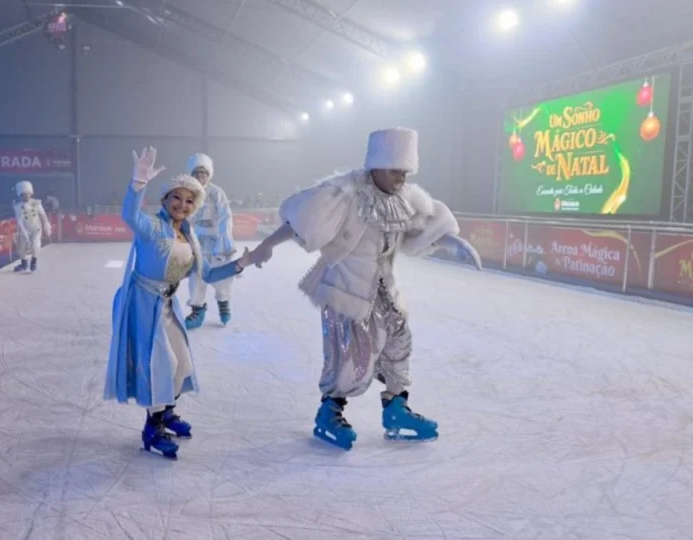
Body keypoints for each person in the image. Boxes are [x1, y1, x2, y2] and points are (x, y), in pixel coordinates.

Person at [249, 127, 482, 449]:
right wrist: (267, 245)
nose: (400, 178)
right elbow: (302, 221)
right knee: (350, 357)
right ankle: (330, 412)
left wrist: (452, 239)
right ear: (375, 166)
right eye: (393, 171)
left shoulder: (405, 199)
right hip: (346, 291)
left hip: (385, 291)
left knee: (399, 344)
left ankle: (397, 408)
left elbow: (422, 228)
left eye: (404, 171)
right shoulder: (344, 194)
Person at [104, 147, 255, 460]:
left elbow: (209, 274)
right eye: (177, 197)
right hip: (145, 305)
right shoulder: (152, 227)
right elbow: (129, 215)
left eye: (190, 201)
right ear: (165, 199)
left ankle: (168, 412)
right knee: (164, 365)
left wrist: (243, 262)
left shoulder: (190, 237)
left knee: (183, 364)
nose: (182, 205)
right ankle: (152, 427)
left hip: (168, 307)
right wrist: (137, 184)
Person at [183, 153, 236, 328]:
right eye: (196, 172)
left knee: (221, 276)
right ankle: (197, 310)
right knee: (196, 277)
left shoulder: (216, 193)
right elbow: (183, 216)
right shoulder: (188, 193)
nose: (199, 176)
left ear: (209, 174)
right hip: (196, 242)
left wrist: (224, 243)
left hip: (216, 242)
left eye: (203, 172)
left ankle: (223, 303)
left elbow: (225, 217)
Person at [12, 181, 51, 273]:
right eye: (24, 195)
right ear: (20, 195)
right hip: (23, 229)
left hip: (36, 228)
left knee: (35, 244)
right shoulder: (17, 206)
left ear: (30, 193)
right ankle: (24, 263)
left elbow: (43, 215)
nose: (26, 196)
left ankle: (34, 262)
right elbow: (19, 220)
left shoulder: (37, 203)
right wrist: (24, 233)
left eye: (27, 194)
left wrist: (46, 225)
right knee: (21, 248)